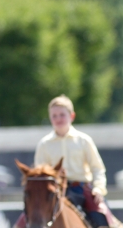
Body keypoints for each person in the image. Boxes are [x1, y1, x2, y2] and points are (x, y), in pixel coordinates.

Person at [33, 94, 117, 228]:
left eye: (62, 114)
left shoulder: (83, 140)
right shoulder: (44, 144)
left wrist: (98, 189)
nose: (58, 118)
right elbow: (39, 173)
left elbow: (97, 168)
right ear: (50, 118)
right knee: (28, 218)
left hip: (80, 189)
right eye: (54, 115)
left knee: (101, 217)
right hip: (54, 191)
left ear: (71, 116)